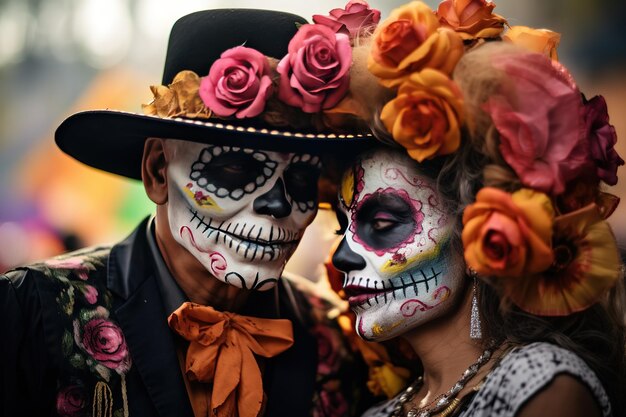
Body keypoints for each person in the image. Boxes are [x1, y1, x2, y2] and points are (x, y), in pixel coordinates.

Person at [0, 6, 380, 417]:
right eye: (236, 168)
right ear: (158, 171)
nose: (278, 203)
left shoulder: (337, 338)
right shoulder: (35, 313)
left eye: (303, 178)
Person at [329, 1, 626, 416]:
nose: (341, 254)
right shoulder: (378, 413)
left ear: (474, 232)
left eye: (382, 222)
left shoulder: (539, 385)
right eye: (342, 226)